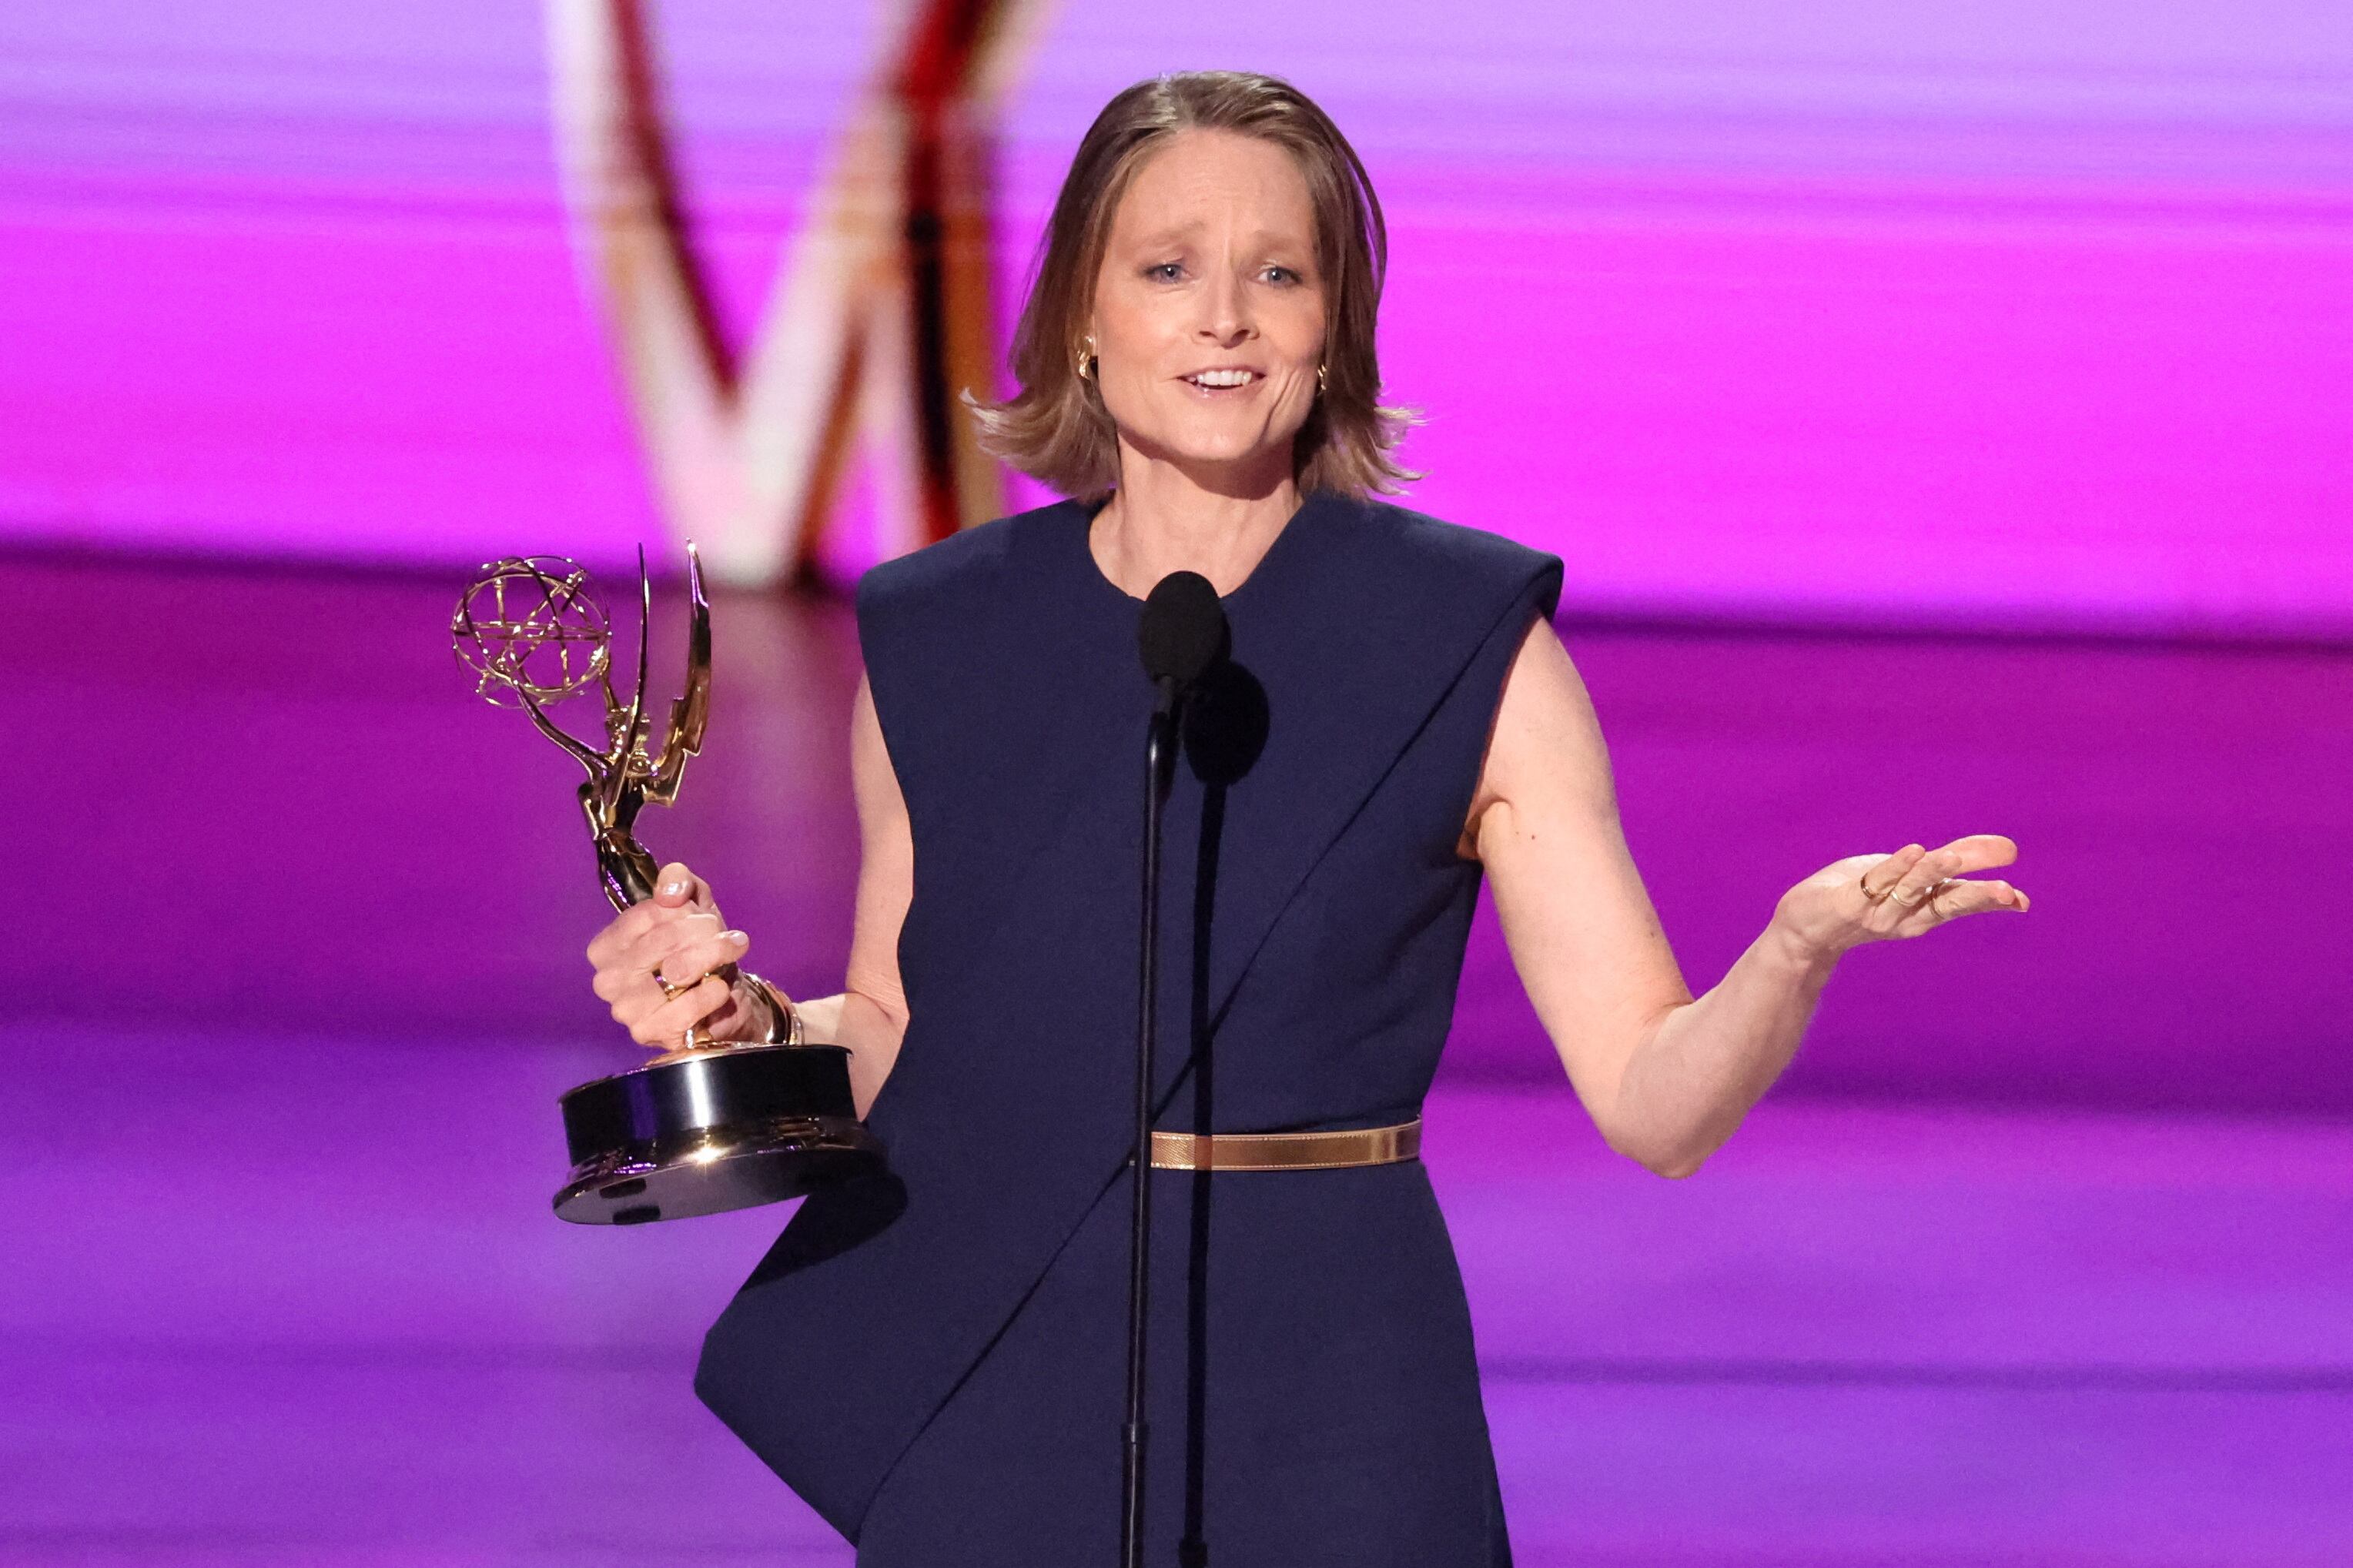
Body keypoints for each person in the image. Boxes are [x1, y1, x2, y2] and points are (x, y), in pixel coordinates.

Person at [582, 70, 2029, 1567]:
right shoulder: (941, 638)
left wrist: (1793, 950)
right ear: (1079, 308)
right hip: (1001, 1370)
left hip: (1331, 1393)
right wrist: (744, 1026)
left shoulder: (1462, 643)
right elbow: (898, 1037)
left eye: (1279, 272)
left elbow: (1655, 1104)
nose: (1225, 316)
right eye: (1168, 269)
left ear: (1334, 324)